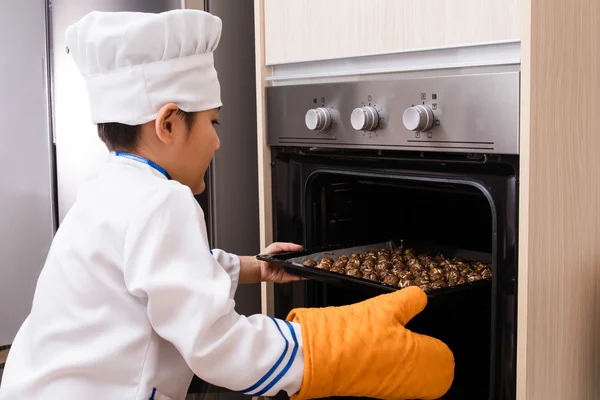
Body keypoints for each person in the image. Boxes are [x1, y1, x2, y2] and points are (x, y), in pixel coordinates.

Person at [0, 9, 454, 400]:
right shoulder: (162, 200)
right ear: (169, 123)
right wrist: (326, 347)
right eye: (213, 122)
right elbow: (216, 344)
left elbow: (161, 275)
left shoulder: (110, 185)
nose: (217, 142)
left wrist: (254, 267)